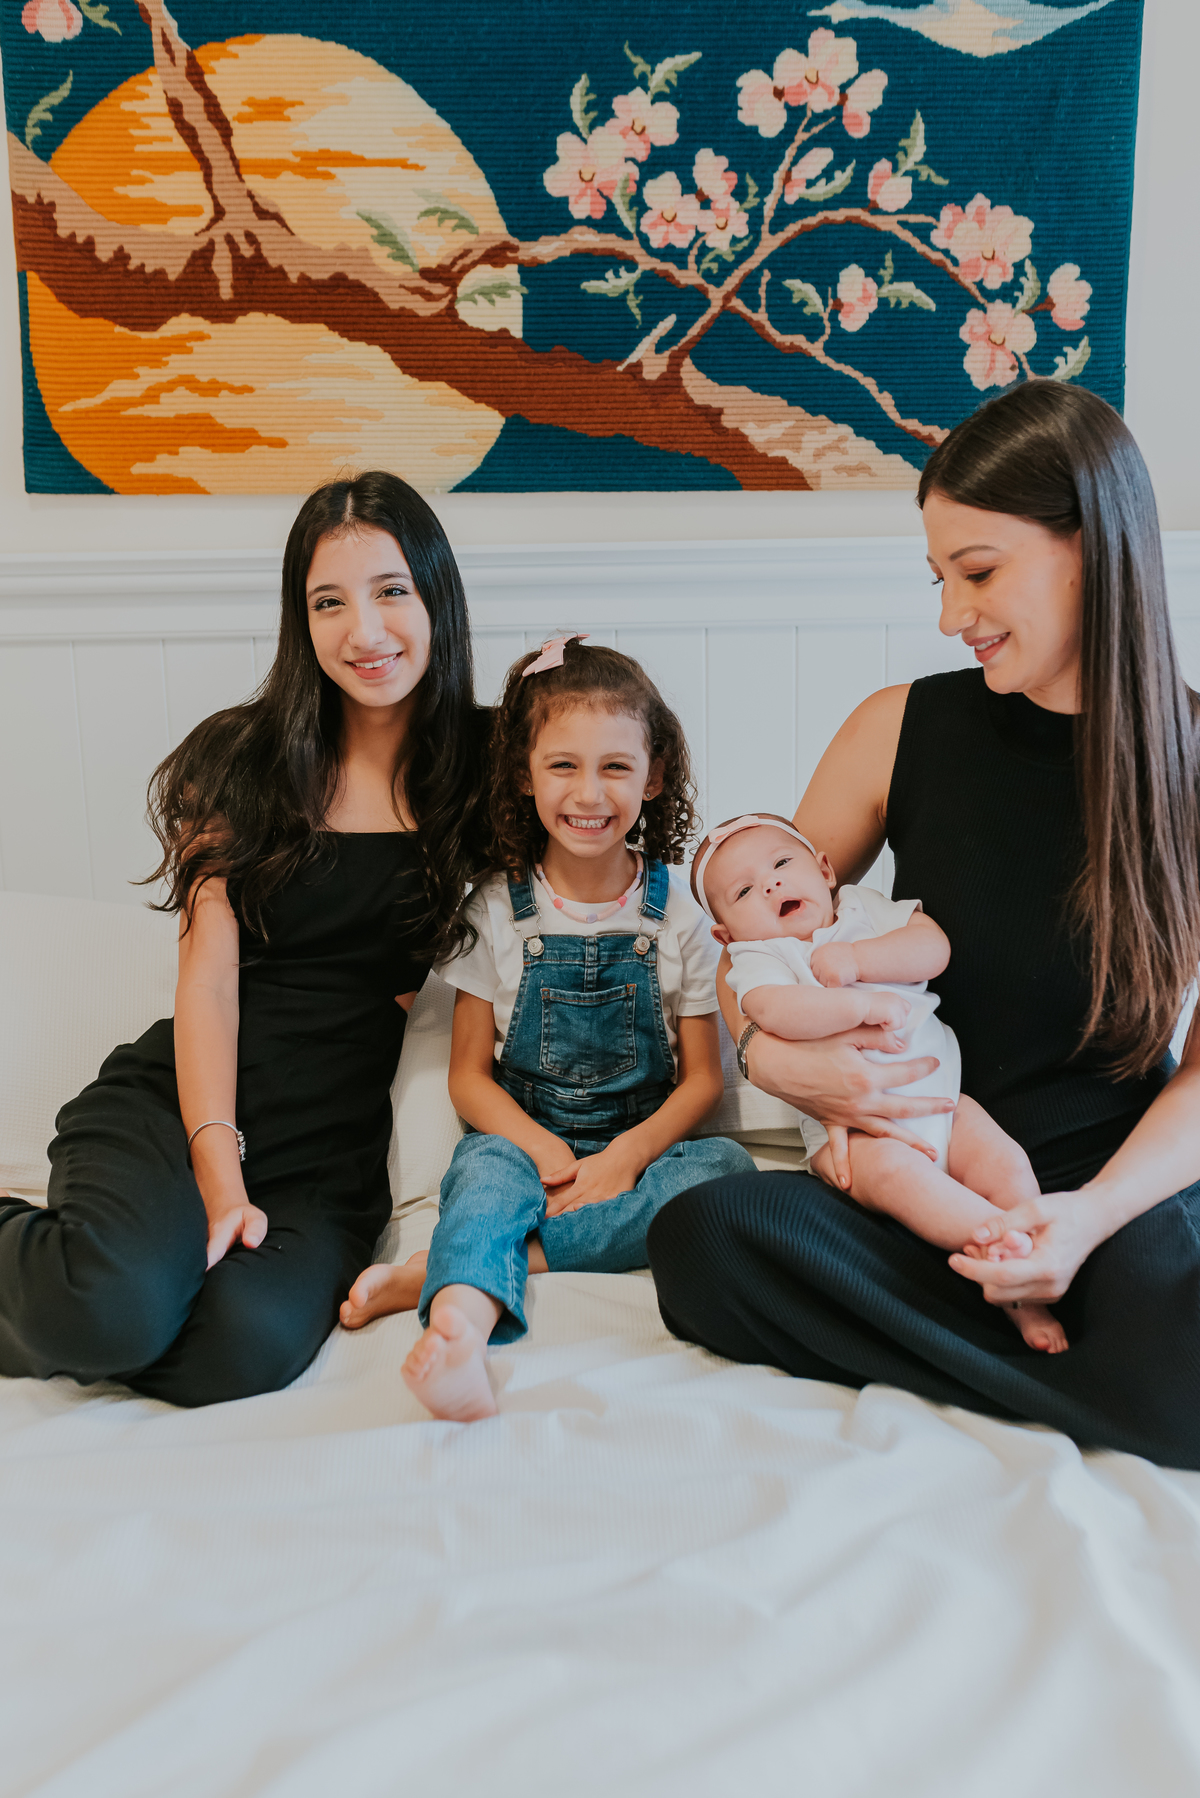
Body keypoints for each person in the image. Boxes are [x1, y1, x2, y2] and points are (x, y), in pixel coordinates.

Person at [647, 380, 1200, 1468]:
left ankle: (1043, 1340)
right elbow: (758, 940)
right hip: (910, 1177)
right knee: (700, 1239)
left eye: (980, 572)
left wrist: (1081, 1223)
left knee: (1185, 1360)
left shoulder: (1191, 765)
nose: (953, 614)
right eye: (941, 577)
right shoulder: (897, 728)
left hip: (1104, 1193)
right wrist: (776, 1059)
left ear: (1090, 546)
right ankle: (1060, 1365)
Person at [0, 471, 487, 1407]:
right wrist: (220, 1179)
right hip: (184, 1107)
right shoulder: (243, 758)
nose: (366, 631)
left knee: (237, 1352)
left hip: (327, 1155)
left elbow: (616, 790)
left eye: (393, 591)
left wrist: (571, 670)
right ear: (300, 621)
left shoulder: (484, 770)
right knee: (110, 1310)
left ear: (437, 597)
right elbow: (211, 982)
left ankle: (127, 1286)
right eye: (329, 602)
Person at [341, 637, 754, 1419]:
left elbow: (703, 1077)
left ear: (654, 774)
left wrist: (625, 1159)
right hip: (527, 1141)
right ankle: (460, 1325)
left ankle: (473, 1263)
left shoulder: (681, 919)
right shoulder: (495, 908)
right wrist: (544, 1150)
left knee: (724, 1170)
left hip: (639, 1147)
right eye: (563, 765)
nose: (588, 792)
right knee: (481, 1172)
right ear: (524, 774)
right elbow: (469, 1076)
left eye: (616, 766)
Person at [692, 811, 1065, 1352]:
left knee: (1004, 1159)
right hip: (857, 1136)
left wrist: (859, 959)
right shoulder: (759, 956)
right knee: (895, 1173)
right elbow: (772, 1011)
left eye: (780, 863)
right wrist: (859, 1002)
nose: (771, 882)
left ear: (823, 870)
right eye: (745, 890)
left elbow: (932, 947)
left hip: (944, 1103)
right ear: (726, 933)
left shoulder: (864, 910)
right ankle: (1005, 1243)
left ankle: (1028, 1275)